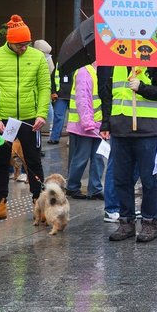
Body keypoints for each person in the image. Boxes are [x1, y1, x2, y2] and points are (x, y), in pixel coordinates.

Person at [0, 15, 50, 222]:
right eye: (20, 44)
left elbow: (45, 87)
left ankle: (40, 204)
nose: (24, 48)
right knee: (1, 161)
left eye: (27, 43)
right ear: (9, 41)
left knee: (34, 161)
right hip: (3, 120)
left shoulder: (37, 57)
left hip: (30, 119)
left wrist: (41, 113)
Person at [99, 62, 157, 242]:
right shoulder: (112, 62)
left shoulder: (152, 60)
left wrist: (142, 88)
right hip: (120, 128)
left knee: (148, 180)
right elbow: (107, 95)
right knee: (121, 179)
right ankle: (126, 222)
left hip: (147, 129)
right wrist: (106, 123)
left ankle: (149, 223)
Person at [66, 63, 107, 206]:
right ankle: (72, 187)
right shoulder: (85, 71)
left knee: (98, 158)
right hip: (85, 125)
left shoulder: (97, 70)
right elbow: (82, 99)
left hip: (97, 124)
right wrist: (88, 122)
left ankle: (95, 189)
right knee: (81, 158)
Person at [48, 62, 74, 144]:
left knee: (73, 118)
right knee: (58, 117)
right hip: (61, 95)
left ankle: (72, 139)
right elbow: (52, 79)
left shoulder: (78, 64)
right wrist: (53, 92)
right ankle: (54, 138)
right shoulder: (59, 65)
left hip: (73, 95)